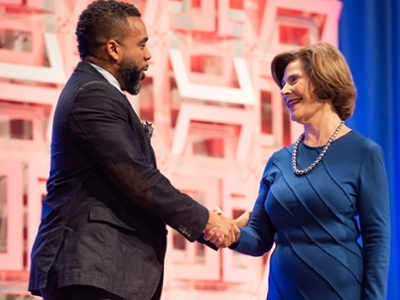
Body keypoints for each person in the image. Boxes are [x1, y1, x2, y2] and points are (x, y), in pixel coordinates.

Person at [28, 1, 238, 299]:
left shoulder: (95, 92)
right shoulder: (93, 94)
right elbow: (138, 178)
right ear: (113, 49)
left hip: (104, 273)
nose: (148, 55)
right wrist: (204, 221)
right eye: (141, 44)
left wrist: (210, 223)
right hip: (93, 272)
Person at [212, 42, 391, 299]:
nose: (284, 90)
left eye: (293, 80)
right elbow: (260, 237)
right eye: (283, 83)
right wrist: (229, 232)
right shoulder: (278, 161)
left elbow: (377, 241)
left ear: (322, 80)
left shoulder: (364, 153)